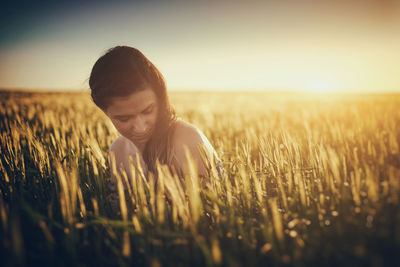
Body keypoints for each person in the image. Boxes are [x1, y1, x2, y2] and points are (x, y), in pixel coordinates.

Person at [89, 46, 223, 198]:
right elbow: (120, 210)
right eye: (124, 118)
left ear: (160, 99)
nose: (141, 128)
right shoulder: (118, 151)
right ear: (105, 112)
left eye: (148, 111)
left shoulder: (188, 142)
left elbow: (209, 211)